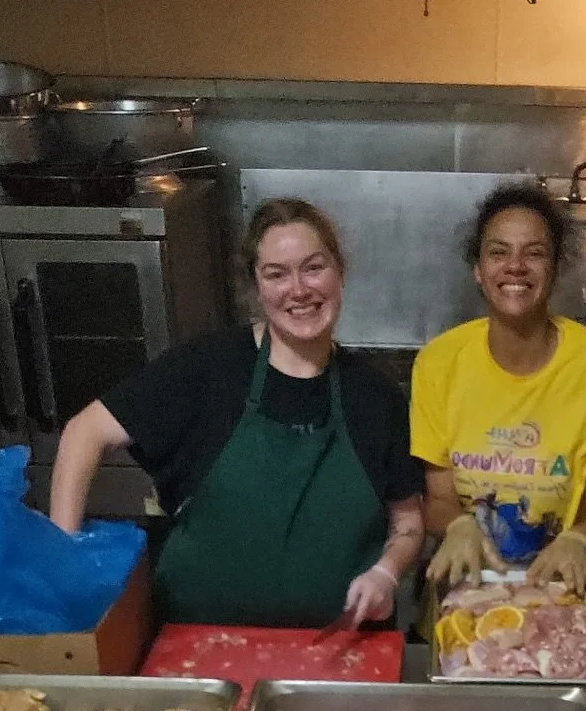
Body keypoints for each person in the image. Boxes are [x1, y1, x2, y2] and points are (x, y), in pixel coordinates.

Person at [48, 198, 423, 626]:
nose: (298, 289)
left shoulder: (374, 395)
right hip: (199, 654)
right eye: (276, 274)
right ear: (256, 287)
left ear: (340, 272)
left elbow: (408, 520)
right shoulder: (208, 369)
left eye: (313, 267)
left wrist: (386, 573)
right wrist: (64, 558)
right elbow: (84, 432)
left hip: (337, 658)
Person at [411, 183, 586, 595]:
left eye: (534, 252)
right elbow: (438, 496)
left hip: (560, 600)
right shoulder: (439, 364)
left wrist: (577, 537)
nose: (515, 266)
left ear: (555, 268)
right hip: (466, 596)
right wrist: (457, 524)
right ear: (478, 268)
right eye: (498, 252)